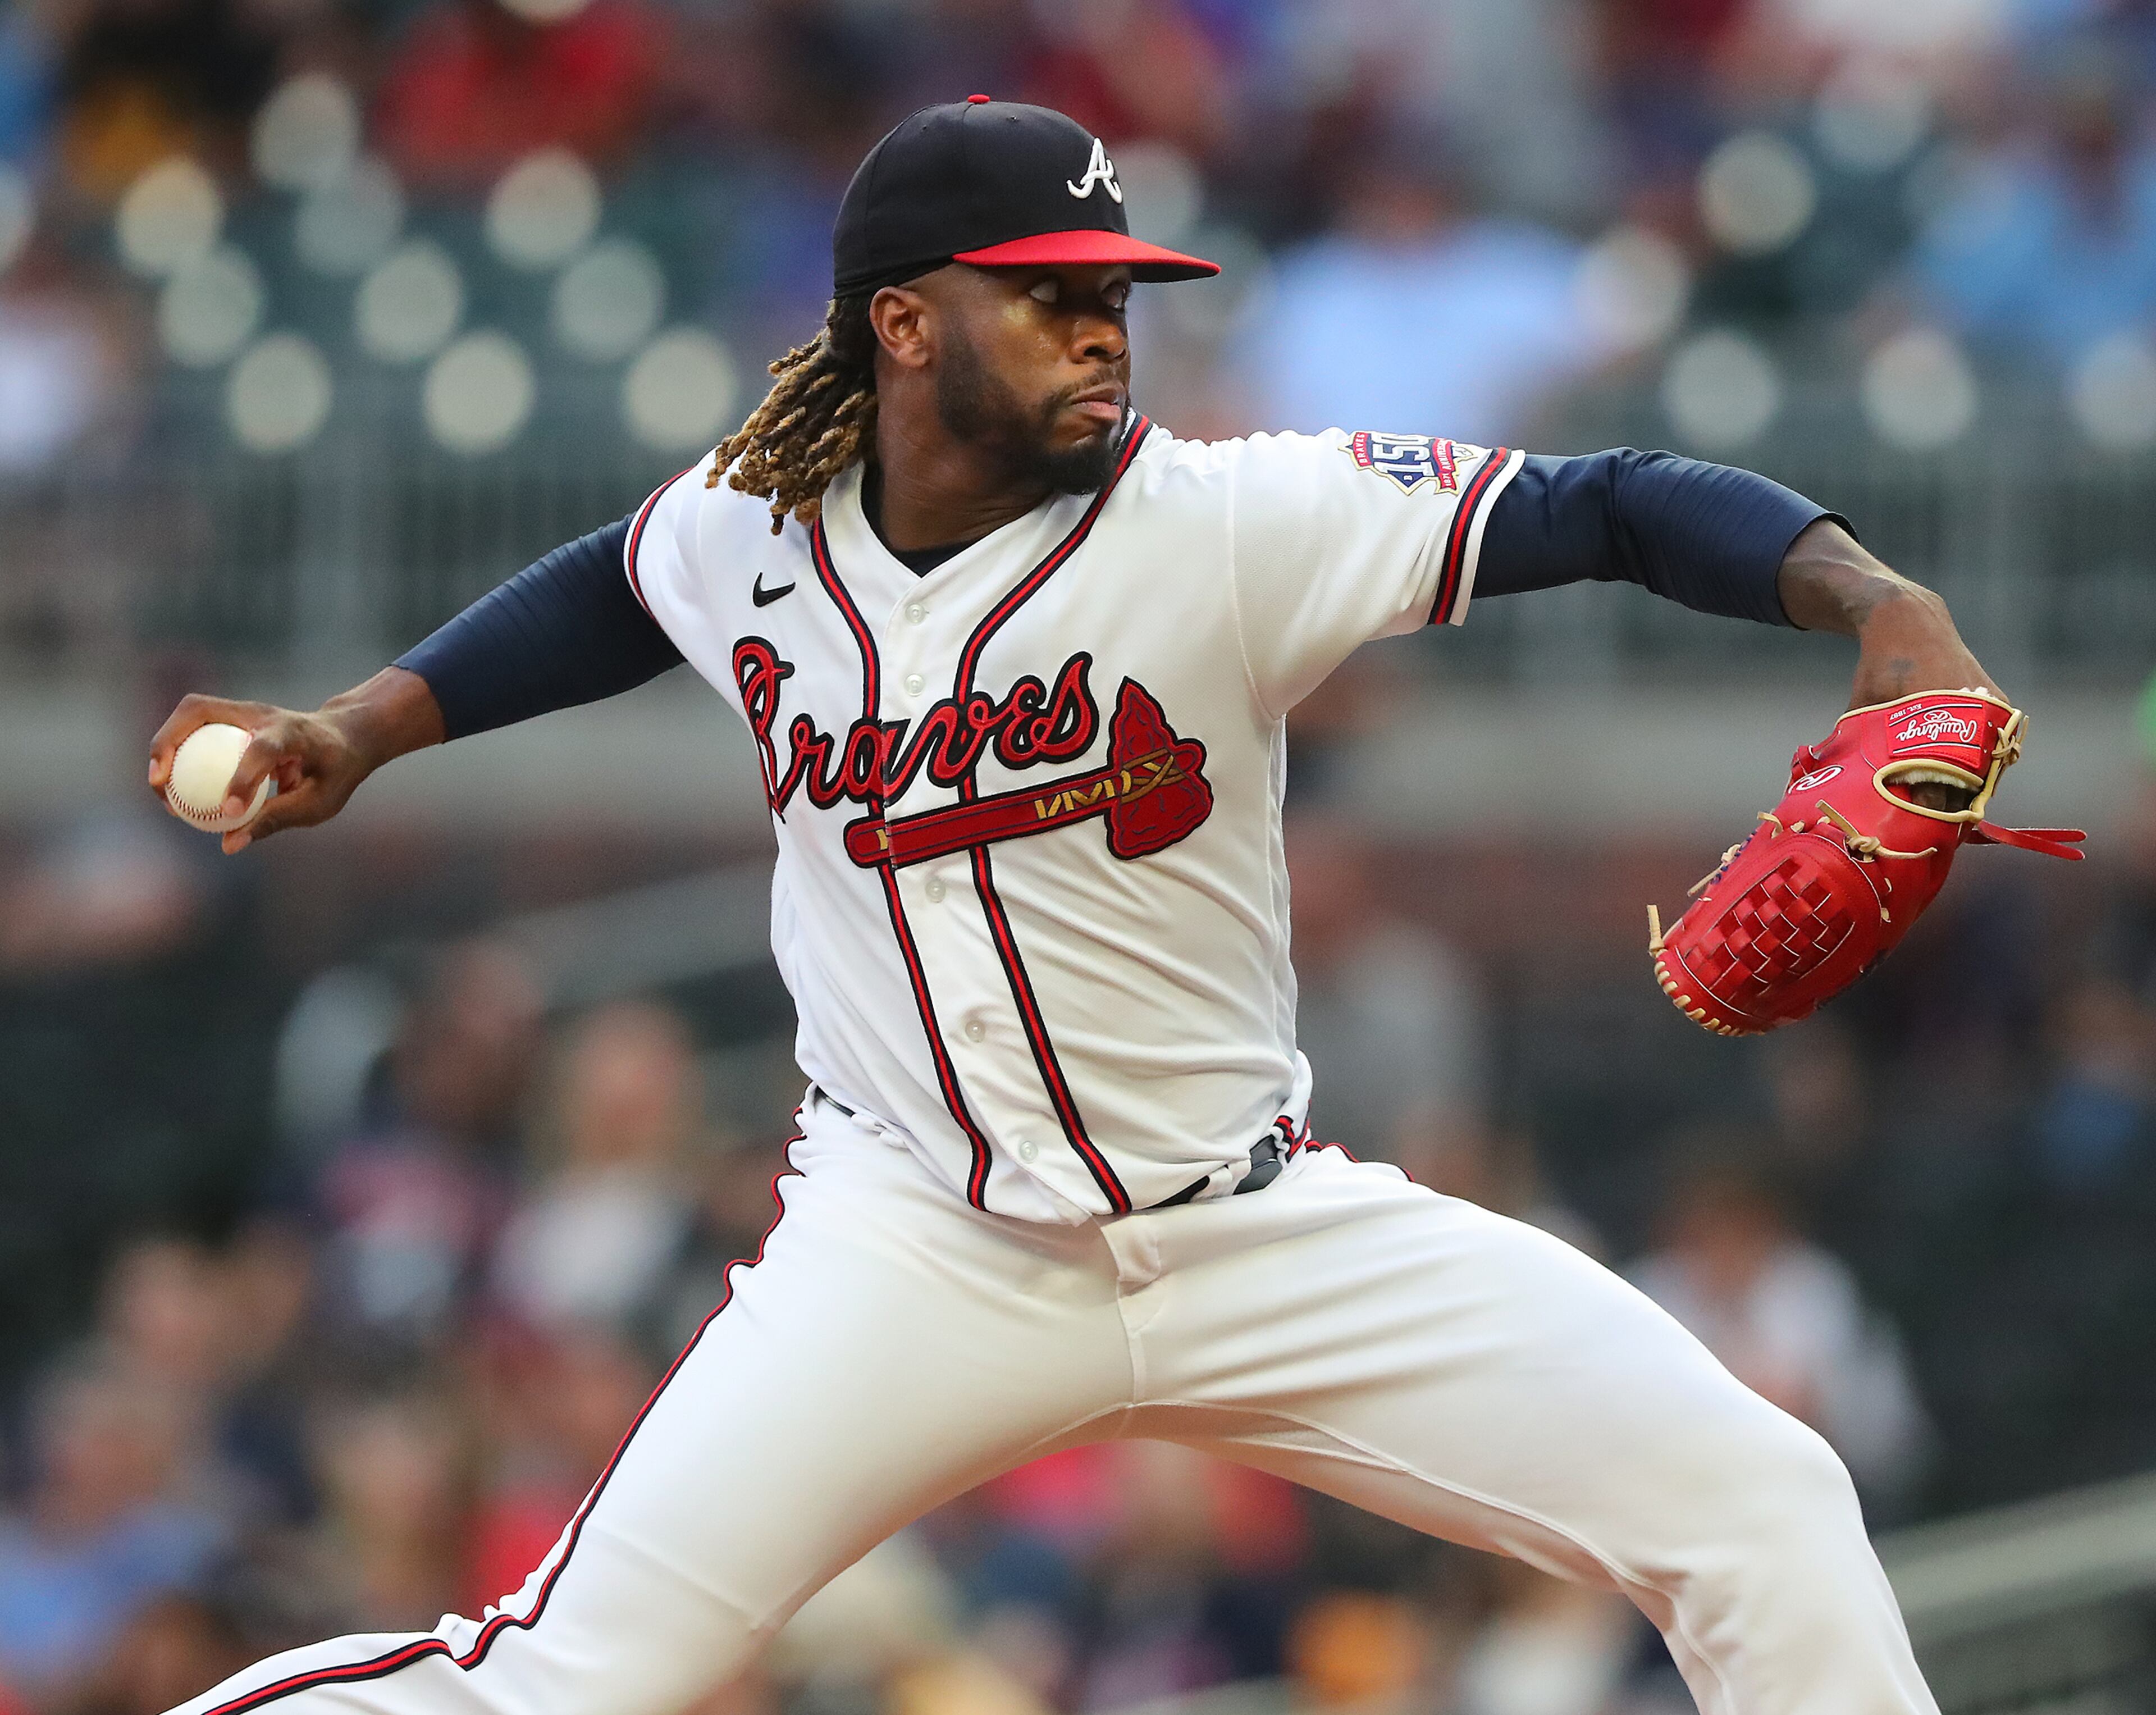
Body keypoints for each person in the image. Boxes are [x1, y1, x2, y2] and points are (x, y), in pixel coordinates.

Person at [146, 98, 1997, 1715]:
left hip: (1255, 1234)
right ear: (900, 321)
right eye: (1048, 292)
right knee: (562, 1675)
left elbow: (1606, 501)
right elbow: (617, 589)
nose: (1102, 327)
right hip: (911, 1250)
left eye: (1113, 291)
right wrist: (364, 727)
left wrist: (1872, 600)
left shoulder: (1231, 520)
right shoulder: (753, 532)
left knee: (1763, 1507)